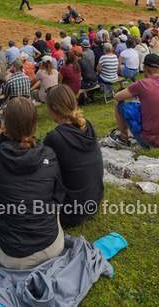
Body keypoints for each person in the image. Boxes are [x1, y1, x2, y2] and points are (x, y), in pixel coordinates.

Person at [0, 97, 65, 270]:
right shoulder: (49, 154)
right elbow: (56, 200)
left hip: (13, 256)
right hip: (53, 247)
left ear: (5, 123)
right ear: (34, 123)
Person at [44, 84, 103, 229]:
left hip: (70, 213)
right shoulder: (87, 125)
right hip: (93, 202)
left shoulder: (55, 137)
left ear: (54, 109)